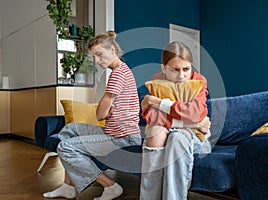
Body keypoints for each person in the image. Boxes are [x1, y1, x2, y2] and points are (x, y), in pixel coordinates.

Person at [43, 30, 141, 200]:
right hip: (113, 133)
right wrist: (108, 110)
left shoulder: (119, 74)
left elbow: (100, 114)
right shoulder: (119, 71)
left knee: (65, 147)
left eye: (99, 54)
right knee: (69, 130)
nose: (96, 60)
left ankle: (110, 186)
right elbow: (104, 112)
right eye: (94, 56)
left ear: (112, 50)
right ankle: (68, 187)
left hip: (124, 138)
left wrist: (106, 111)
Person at [140, 41, 211, 200]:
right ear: (164, 68)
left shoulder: (198, 81)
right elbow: (151, 116)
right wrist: (194, 122)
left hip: (195, 138)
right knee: (154, 133)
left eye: (186, 69)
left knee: (177, 137)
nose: (181, 76)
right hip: (187, 128)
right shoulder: (157, 80)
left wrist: (159, 103)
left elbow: (194, 113)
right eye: (175, 70)